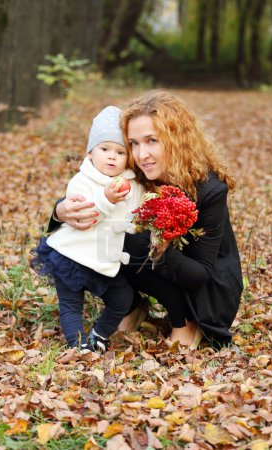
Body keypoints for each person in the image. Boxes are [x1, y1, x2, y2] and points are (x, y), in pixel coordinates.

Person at [48, 91, 243, 349]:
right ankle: (130, 304)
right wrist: (61, 210)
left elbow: (201, 273)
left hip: (204, 285)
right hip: (152, 264)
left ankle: (183, 319)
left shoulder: (209, 188)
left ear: (177, 139)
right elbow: (90, 197)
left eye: (152, 140)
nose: (142, 154)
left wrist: (162, 252)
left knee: (134, 238)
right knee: (102, 233)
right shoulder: (135, 173)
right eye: (134, 143)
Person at [31, 106, 144, 353]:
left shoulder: (132, 184)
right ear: (91, 152)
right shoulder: (82, 180)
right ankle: (78, 345)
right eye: (104, 149)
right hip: (71, 256)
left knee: (122, 298)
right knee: (71, 305)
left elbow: (138, 209)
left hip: (104, 258)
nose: (111, 157)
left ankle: (99, 335)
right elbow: (84, 214)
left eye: (120, 152)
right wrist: (106, 197)